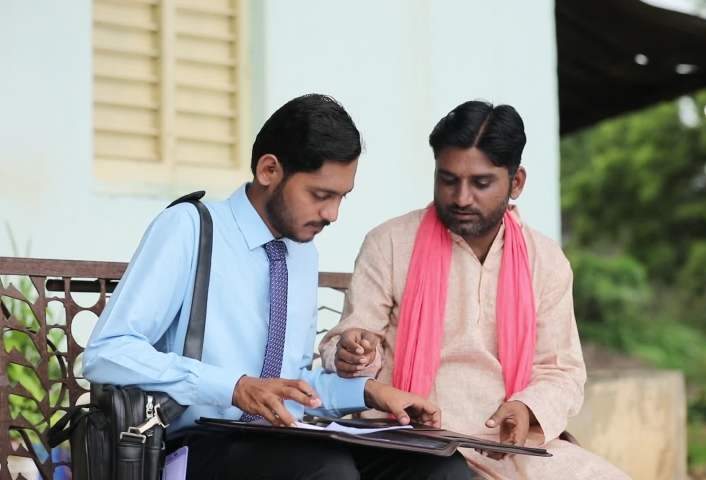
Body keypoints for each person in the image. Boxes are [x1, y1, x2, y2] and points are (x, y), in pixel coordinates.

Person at [83, 94, 471, 480]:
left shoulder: (302, 254)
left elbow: (292, 387)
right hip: (191, 447)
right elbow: (107, 352)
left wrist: (369, 392)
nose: (332, 214)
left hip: (281, 444)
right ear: (269, 170)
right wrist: (234, 387)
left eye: (341, 198)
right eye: (321, 195)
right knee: (326, 469)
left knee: (440, 467)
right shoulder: (190, 228)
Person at [318, 100, 630, 479]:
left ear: (516, 182)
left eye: (481, 183)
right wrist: (354, 353)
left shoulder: (544, 260)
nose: (462, 198)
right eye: (448, 180)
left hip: (510, 445)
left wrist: (527, 409)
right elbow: (347, 346)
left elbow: (561, 370)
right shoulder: (390, 243)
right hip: (413, 442)